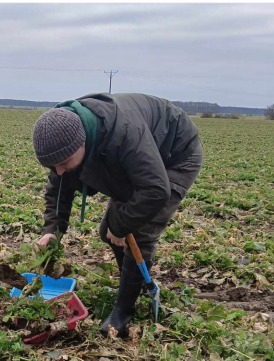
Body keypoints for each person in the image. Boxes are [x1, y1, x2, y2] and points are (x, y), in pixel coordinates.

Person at [32, 93, 204, 335]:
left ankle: (123, 311)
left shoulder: (124, 133)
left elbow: (155, 190)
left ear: (82, 142)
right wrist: (52, 232)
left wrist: (122, 226)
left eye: (64, 162)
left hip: (175, 155)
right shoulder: (64, 140)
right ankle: (135, 283)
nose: (58, 171)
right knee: (108, 232)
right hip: (136, 162)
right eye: (53, 166)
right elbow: (58, 190)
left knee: (138, 233)